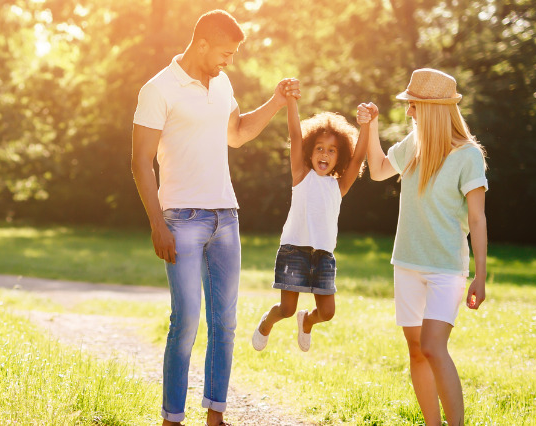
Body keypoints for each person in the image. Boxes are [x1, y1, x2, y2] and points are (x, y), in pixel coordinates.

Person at [130, 9, 298, 426]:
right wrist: (156, 222)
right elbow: (139, 162)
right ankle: (172, 417)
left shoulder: (222, 84)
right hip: (181, 220)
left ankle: (216, 414)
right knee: (185, 321)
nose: (230, 61)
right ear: (201, 43)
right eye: (226, 52)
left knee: (225, 323)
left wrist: (277, 101)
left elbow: (237, 134)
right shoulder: (158, 89)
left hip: (227, 216)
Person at [360, 68, 488, 426]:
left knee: (433, 346)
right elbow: (379, 170)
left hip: (446, 268)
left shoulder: (469, 156)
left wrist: (481, 274)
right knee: (416, 351)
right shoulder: (412, 145)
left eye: (413, 105)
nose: (408, 112)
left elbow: (477, 219)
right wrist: (370, 128)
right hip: (407, 264)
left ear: (431, 108)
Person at [250, 88, 369, 353]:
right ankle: (267, 322)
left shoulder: (339, 186)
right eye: (319, 148)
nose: (324, 154)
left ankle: (308, 320)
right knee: (287, 309)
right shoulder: (301, 175)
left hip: (324, 256)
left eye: (332, 150)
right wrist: (291, 100)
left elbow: (360, 157)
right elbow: (294, 136)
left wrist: (368, 125)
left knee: (327, 312)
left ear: (340, 156)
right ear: (310, 150)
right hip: (295, 250)